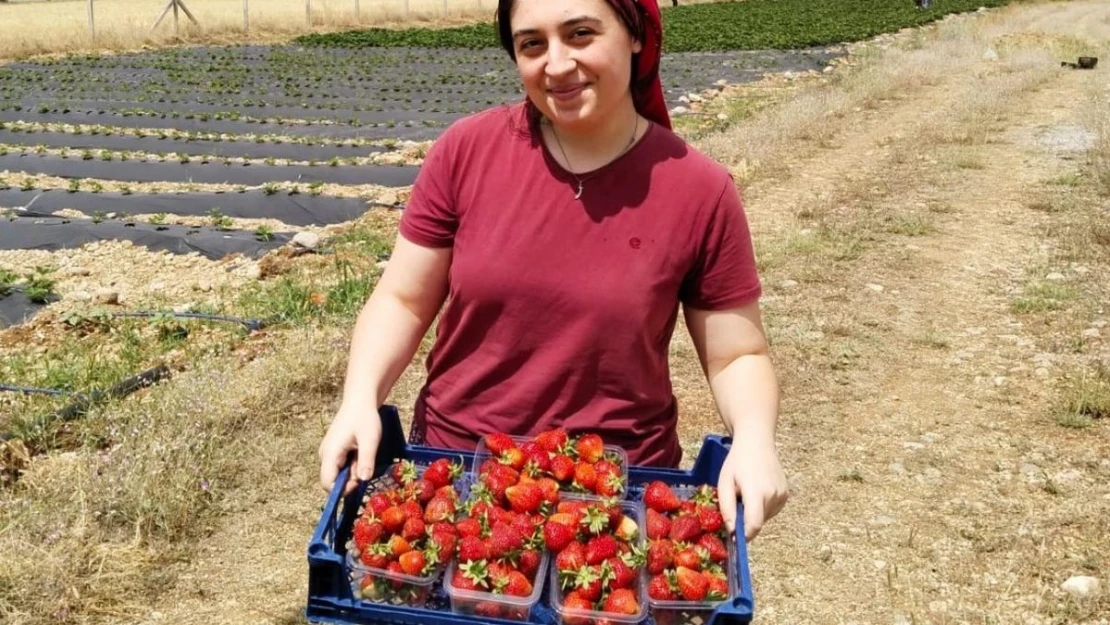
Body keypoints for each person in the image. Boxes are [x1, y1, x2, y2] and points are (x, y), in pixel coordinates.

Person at [318, 0, 788, 542]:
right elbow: (403, 299)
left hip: (615, 496)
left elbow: (737, 353)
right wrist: (359, 398)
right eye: (532, 44)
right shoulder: (466, 152)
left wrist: (754, 438)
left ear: (636, 35)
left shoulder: (699, 190)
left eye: (581, 33)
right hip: (454, 476)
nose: (557, 64)